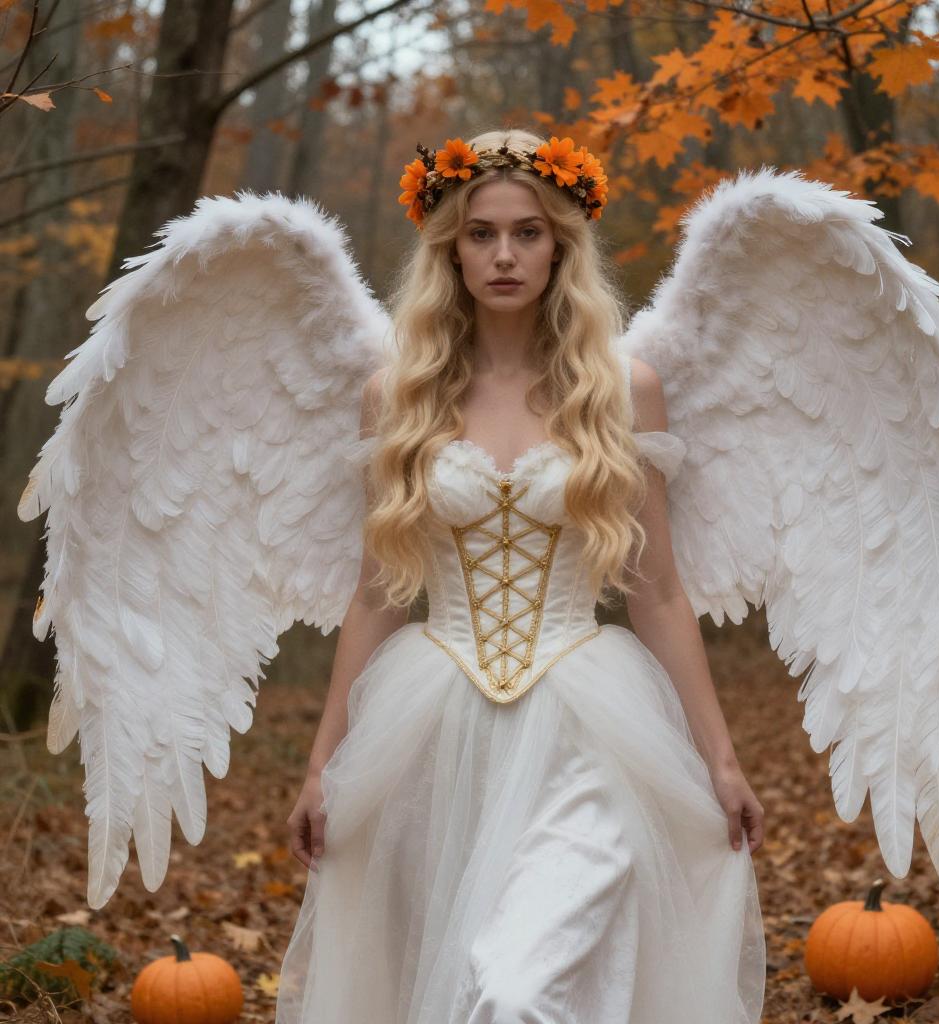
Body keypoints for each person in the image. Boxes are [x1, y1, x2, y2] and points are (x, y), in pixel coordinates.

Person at [275, 127, 767, 1023]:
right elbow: (377, 594)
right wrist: (323, 767)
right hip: (431, 734)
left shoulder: (624, 388)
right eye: (480, 233)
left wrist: (721, 760)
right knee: (458, 986)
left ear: (562, 246)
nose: (504, 254)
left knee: (518, 989)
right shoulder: (398, 395)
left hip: (591, 724)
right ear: (449, 249)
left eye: (529, 233)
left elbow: (657, 592)